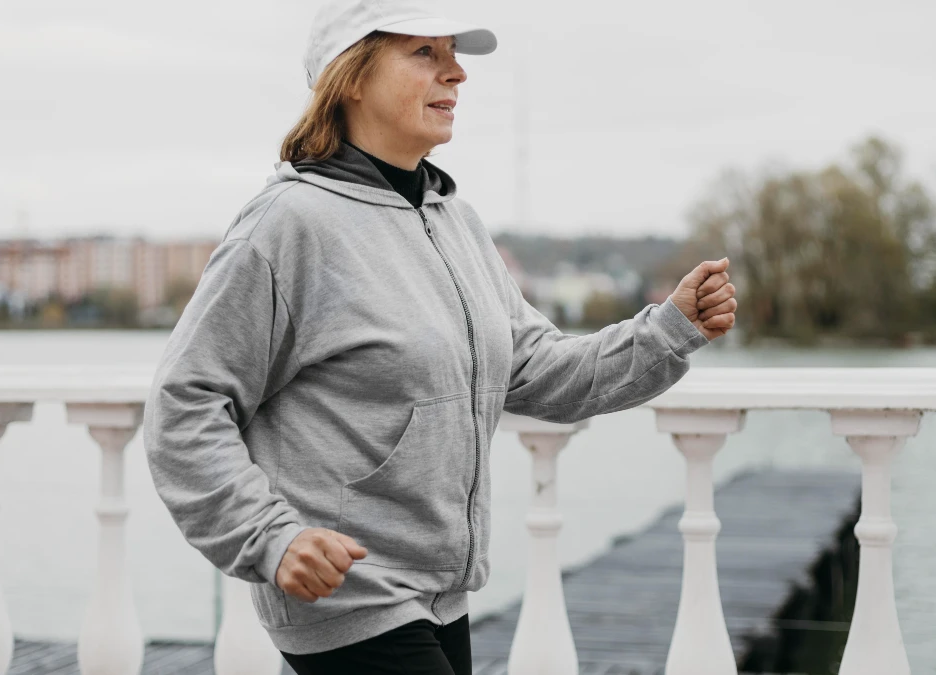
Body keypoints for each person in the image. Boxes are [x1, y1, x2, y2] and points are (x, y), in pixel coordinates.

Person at [141, 0, 738, 673]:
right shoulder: (288, 225)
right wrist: (270, 536)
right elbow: (183, 407)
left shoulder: (455, 219)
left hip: (441, 595)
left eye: (453, 52)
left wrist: (670, 329)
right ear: (353, 76)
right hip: (347, 595)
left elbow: (536, 368)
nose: (457, 74)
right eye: (426, 52)